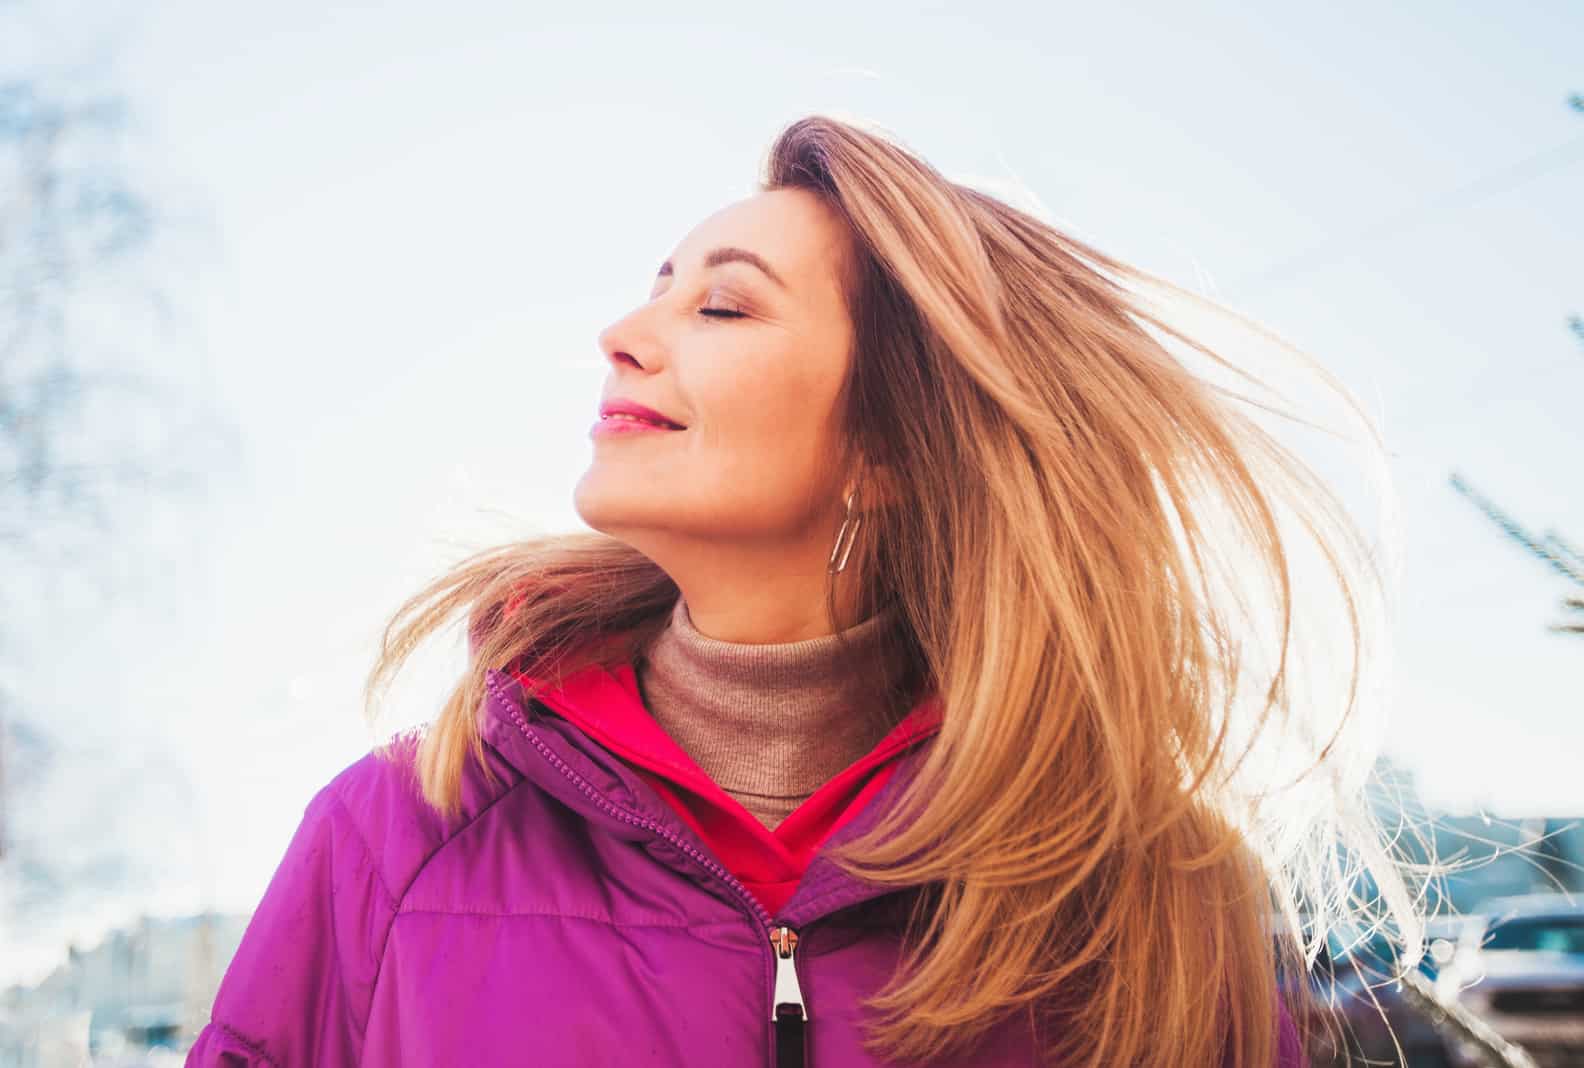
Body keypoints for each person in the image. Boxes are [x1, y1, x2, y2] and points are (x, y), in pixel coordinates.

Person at [187, 114, 1417, 1066]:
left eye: (721, 303)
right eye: (656, 283)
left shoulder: (1150, 896)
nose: (624, 329)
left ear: (889, 446)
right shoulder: (396, 835)